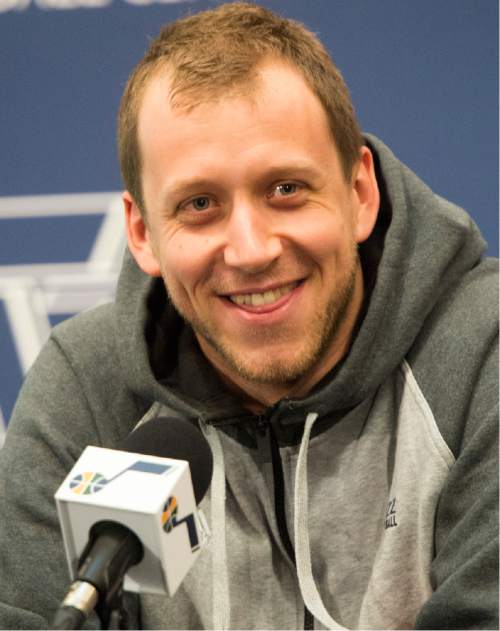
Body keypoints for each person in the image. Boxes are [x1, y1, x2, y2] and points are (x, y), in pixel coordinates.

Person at [0, 2, 498, 629]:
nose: (252, 249)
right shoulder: (91, 390)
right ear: (142, 231)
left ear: (359, 194)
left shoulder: (483, 352)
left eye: (286, 189)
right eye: (200, 203)